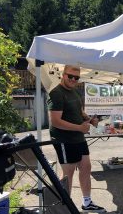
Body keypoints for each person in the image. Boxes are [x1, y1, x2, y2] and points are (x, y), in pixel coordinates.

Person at [47, 65, 106, 213]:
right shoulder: (56, 93)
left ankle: (87, 202)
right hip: (63, 139)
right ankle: (64, 207)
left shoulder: (74, 91)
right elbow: (55, 121)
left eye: (76, 77)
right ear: (63, 75)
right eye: (70, 76)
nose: (73, 79)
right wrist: (80, 128)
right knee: (68, 173)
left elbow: (79, 111)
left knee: (86, 167)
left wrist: (89, 119)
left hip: (78, 138)